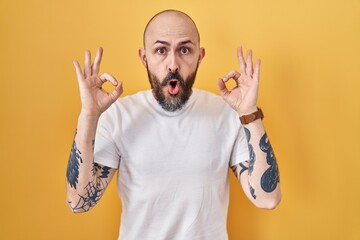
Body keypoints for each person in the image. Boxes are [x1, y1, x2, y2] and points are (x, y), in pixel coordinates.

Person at [66, 9, 281, 240]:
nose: (173, 64)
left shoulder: (228, 114)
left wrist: (249, 112)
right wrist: (89, 115)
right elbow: (79, 202)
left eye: (185, 50)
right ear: (144, 57)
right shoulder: (118, 115)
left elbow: (268, 198)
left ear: (200, 56)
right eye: (161, 50)